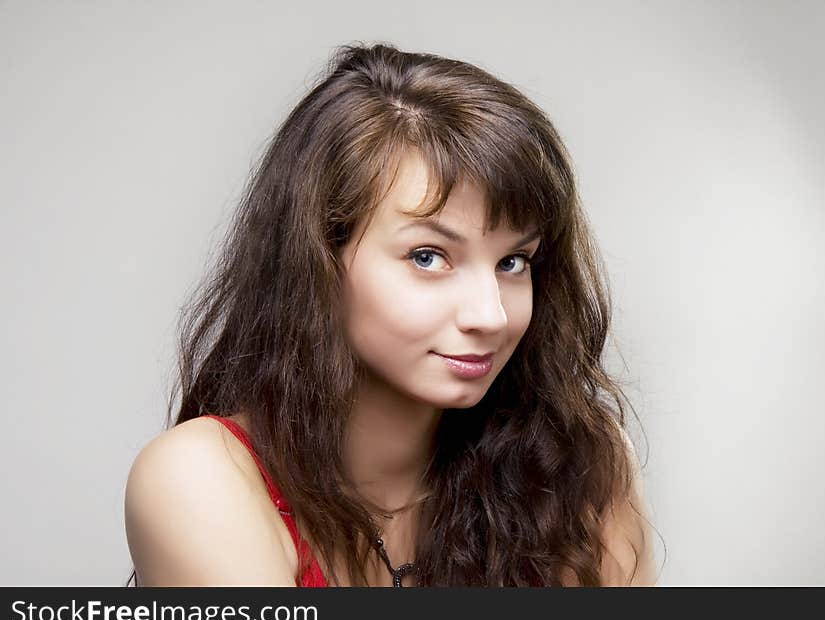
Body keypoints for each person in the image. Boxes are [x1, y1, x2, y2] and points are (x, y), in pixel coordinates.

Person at [124, 42, 659, 587]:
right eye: (428, 257)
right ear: (318, 260)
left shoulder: (581, 464)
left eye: (513, 261)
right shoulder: (202, 478)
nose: (491, 315)